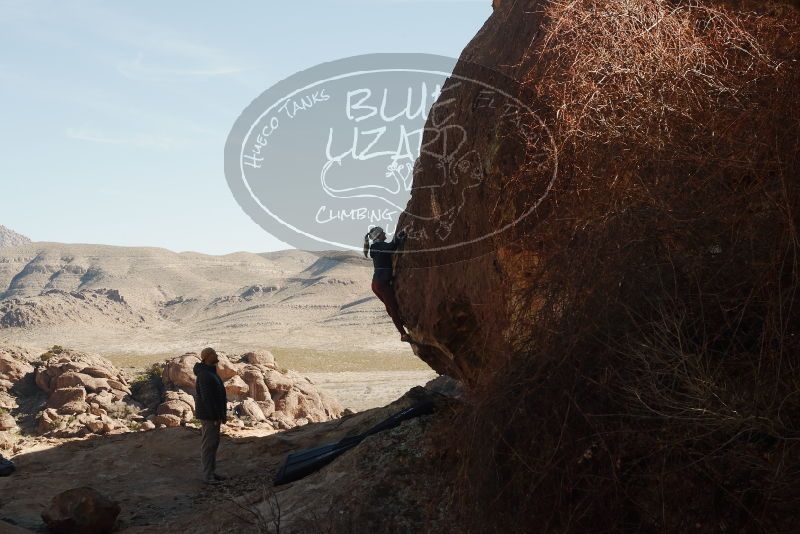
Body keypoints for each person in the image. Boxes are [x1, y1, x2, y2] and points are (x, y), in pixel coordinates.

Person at [363, 226, 411, 342]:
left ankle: (401, 325)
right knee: (393, 308)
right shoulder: (379, 246)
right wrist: (400, 236)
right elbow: (392, 246)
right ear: (378, 236)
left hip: (377, 284)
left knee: (390, 308)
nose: (385, 233)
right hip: (382, 284)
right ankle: (403, 334)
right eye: (383, 232)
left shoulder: (375, 247)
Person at [194, 347, 228, 485]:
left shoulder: (209, 372)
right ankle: (208, 476)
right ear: (207, 356)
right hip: (209, 417)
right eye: (213, 353)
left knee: (213, 444)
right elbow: (207, 398)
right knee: (209, 444)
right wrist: (214, 417)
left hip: (213, 415)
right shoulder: (204, 375)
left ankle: (211, 472)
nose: (216, 354)